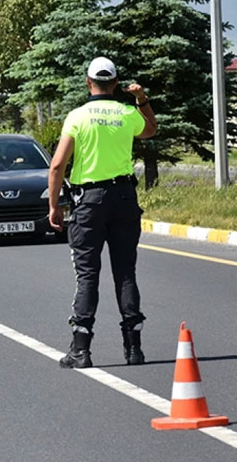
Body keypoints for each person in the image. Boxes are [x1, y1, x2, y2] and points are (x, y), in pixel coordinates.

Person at [48, 56, 157, 369]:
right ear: (116, 83)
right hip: (124, 197)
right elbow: (150, 130)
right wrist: (141, 99)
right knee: (125, 272)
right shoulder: (126, 113)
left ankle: (81, 350)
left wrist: (54, 205)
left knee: (88, 274)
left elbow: (58, 165)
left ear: (88, 82)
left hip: (90, 201)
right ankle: (133, 349)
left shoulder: (78, 117)